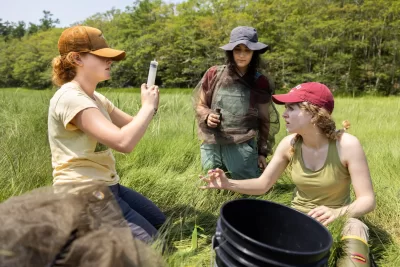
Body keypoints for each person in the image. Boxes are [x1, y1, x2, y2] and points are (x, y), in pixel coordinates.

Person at [201, 82, 376, 266]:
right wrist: (228, 183)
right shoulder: (289, 144)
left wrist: (337, 213)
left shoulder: (347, 145)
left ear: (315, 113)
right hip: (299, 218)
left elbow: (367, 200)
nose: (284, 114)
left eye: (291, 109)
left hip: (341, 218)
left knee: (356, 228)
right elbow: (263, 184)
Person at [49, 25, 165, 243]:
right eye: (101, 57)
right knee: (157, 247)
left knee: (162, 224)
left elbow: (132, 126)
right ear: (77, 58)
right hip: (82, 192)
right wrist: (147, 108)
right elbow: (123, 142)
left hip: (109, 185)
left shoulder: (96, 98)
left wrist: (150, 107)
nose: (109, 61)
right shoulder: (70, 98)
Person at [193, 26, 280, 180]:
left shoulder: (259, 81)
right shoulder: (214, 73)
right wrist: (207, 115)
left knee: (245, 188)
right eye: (237, 49)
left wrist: (262, 152)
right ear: (230, 51)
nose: (241, 55)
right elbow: (200, 105)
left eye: (247, 50)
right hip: (211, 142)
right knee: (213, 185)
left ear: (254, 53)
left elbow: (265, 120)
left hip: (242, 144)